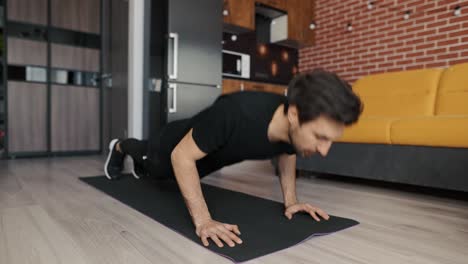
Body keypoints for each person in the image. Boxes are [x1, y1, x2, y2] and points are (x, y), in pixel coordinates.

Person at [104, 69, 363, 248]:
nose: (324, 150)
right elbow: (181, 156)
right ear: (294, 115)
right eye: (319, 137)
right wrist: (204, 221)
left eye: (330, 139)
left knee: (167, 173)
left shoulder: (291, 126)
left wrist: (291, 201)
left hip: (204, 160)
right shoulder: (236, 113)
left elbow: (287, 151)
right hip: (171, 148)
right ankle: (121, 147)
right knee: (154, 170)